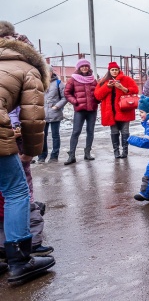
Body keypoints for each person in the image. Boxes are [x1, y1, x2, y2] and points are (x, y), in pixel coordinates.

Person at [0, 23, 55, 284]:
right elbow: (32, 118)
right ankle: (20, 260)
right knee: (16, 191)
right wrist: (30, 154)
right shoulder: (26, 66)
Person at [94, 62, 139, 159]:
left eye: (116, 69)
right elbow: (97, 95)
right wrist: (107, 87)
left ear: (119, 70)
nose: (114, 71)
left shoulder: (126, 79)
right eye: (112, 70)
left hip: (124, 109)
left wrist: (123, 88)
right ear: (109, 71)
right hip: (110, 111)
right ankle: (116, 151)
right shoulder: (103, 81)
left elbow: (135, 90)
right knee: (114, 131)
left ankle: (125, 151)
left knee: (125, 131)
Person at [64, 58, 99, 165]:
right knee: (76, 132)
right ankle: (72, 155)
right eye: (82, 66)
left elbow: (98, 92)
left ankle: (87, 153)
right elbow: (67, 93)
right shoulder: (73, 79)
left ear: (89, 67)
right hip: (80, 110)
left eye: (86, 66)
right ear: (79, 68)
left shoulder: (93, 79)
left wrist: (97, 100)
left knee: (90, 131)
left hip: (92, 110)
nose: (84, 68)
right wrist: (75, 101)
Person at [37, 65, 67, 163]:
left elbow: (65, 97)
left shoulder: (58, 83)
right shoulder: (38, 83)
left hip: (54, 112)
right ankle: (42, 156)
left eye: (48, 72)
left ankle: (54, 156)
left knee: (55, 135)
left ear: (51, 72)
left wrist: (57, 106)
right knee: (42, 136)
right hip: (42, 114)